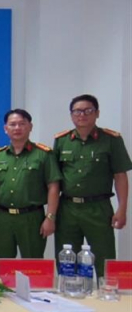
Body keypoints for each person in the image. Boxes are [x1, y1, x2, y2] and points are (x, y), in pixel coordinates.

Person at [53, 94, 131, 275]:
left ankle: (107, 296)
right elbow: (54, 180)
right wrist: (51, 213)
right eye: (77, 111)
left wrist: (122, 209)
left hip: (99, 208)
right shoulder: (62, 140)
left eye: (88, 111)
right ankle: (68, 297)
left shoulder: (112, 140)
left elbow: (120, 176)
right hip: (68, 208)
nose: (82, 115)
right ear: (71, 115)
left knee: (105, 258)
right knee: (66, 260)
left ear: (97, 113)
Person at [0, 109, 62, 258]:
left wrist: (50, 217)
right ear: (5, 129)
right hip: (2, 218)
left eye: (22, 124)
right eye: (12, 124)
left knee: (33, 264)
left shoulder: (43, 154)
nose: (17, 128)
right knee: (3, 264)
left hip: (31, 218)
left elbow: (53, 187)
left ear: (30, 127)